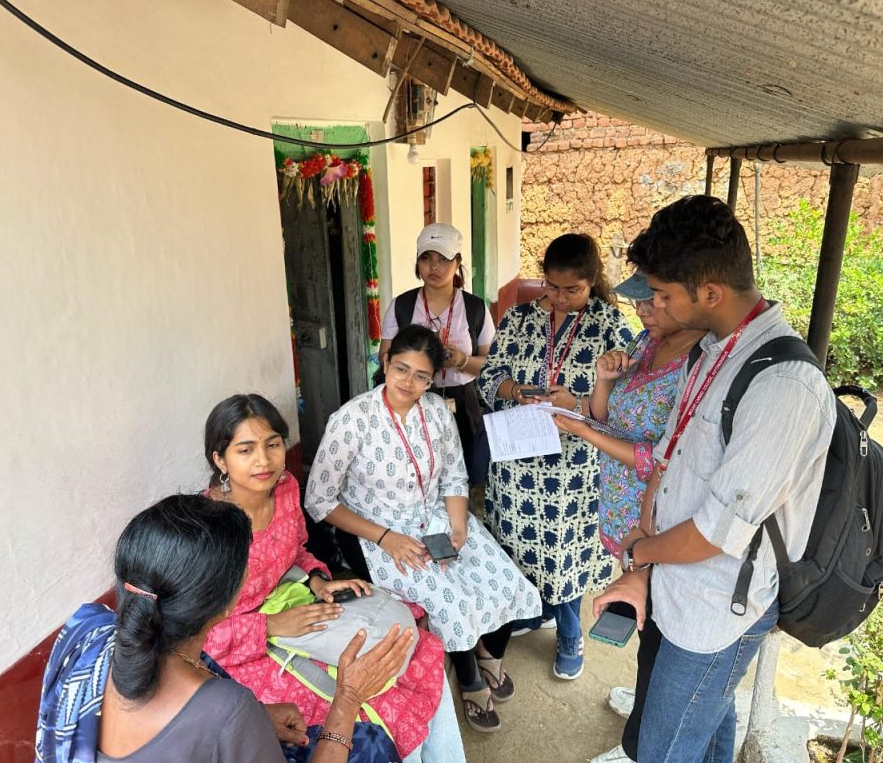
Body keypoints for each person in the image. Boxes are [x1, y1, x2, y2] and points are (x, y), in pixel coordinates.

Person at [590, 195, 835, 763]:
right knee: (709, 728)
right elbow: (667, 462)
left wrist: (639, 552)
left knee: (663, 750)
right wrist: (641, 571)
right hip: (674, 584)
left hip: (716, 611)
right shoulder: (712, 352)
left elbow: (715, 532)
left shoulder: (783, 386)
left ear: (709, 293)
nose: (655, 305)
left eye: (664, 295)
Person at [36, 493, 415, 763]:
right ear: (226, 604)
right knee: (369, 744)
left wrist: (256, 721)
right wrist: (347, 698)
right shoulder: (225, 707)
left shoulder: (89, 632)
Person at [306, 325, 542, 733]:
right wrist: (386, 538)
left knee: (508, 581)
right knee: (450, 601)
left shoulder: (436, 411)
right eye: (401, 369)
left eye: (421, 376)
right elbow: (319, 501)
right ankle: (469, 677)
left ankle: (488, 653)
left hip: (438, 517)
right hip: (379, 531)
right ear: (385, 362)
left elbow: (454, 476)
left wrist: (458, 528)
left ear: (433, 379)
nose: (408, 382)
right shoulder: (351, 420)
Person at [200, 394, 463, 762]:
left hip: (298, 606)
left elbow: (295, 551)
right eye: (245, 450)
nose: (264, 460)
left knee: (407, 650)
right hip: (242, 646)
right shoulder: (205, 530)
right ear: (220, 459)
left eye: (272, 444)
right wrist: (271, 625)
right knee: (373, 695)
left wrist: (317, 581)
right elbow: (194, 636)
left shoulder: (285, 487)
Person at [551, 271, 704, 762]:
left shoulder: (697, 363)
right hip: (624, 512)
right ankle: (645, 705)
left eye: (654, 301)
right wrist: (603, 380)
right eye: (638, 302)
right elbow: (606, 415)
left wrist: (586, 434)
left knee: (662, 636)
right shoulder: (645, 342)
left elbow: (660, 457)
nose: (643, 311)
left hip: (662, 520)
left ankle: (645, 735)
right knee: (645, 620)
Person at [477, 233, 633, 680]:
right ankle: (533, 609)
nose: (561, 298)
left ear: (592, 281)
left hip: (574, 469)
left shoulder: (610, 325)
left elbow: (625, 401)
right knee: (516, 545)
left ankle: (569, 632)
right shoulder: (519, 317)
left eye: (573, 290)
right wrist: (518, 391)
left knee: (564, 553)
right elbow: (489, 377)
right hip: (518, 460)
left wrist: (575, 403)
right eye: (553, 287)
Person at [378, 223, 495, 472]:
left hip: (462, 402)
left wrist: (463, 361)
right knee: (416, 467)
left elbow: (492, 365)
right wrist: (418, 361)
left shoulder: (474, 308)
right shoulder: (402, 305)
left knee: (462, 469)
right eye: (426, 258)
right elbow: (385, 357)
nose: (434, 266)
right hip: (412, 398)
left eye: (443, 259)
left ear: (457, 262)